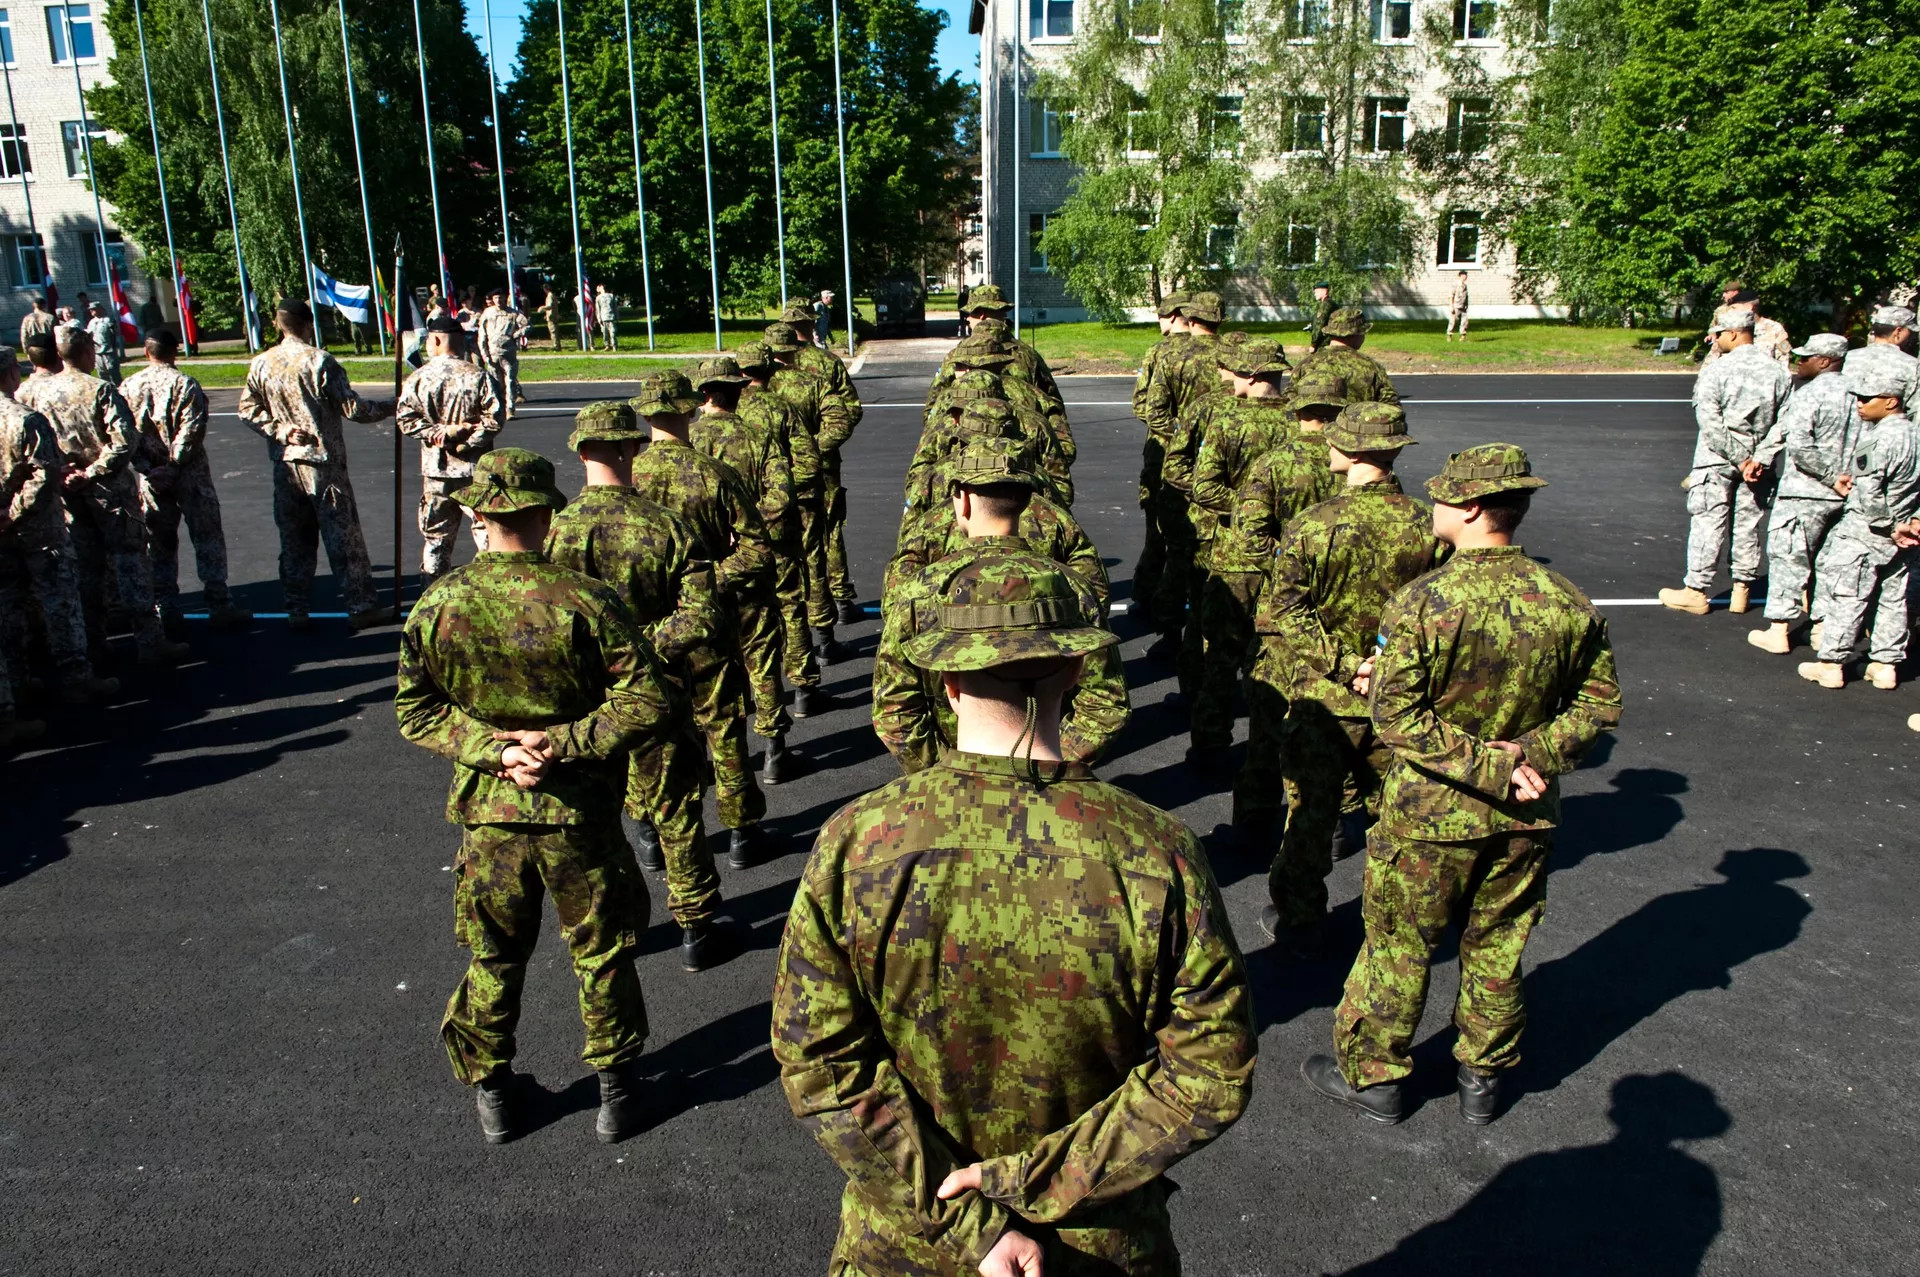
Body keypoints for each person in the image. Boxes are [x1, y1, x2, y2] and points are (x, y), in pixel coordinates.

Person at [774, 552, 1255, 1276]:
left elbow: (819, 1061)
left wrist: (967, 1221)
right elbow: (1210, 1073)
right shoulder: (1157, 853)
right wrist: (1038, 1180)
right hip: (1095, 1242)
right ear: (1073, 671)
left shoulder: (858, 841)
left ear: (948, 678)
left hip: (908, 1241)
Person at [1303, 444, 1620, 1127]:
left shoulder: (1425, 601)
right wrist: (1528, 754)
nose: (1434, 504)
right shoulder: (1565, 598)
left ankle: (1376, 1075)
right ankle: (1483, 1074)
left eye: (1445, 496)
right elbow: (1597, 707)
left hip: (1430, 817)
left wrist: (1491, 763)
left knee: (1397, 944)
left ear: (1472, 508)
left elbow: (1396, 716)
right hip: (1525, 815)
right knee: (1500, 944)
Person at [395, 446, 681, 1146]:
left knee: (493, 954)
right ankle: (617, 1091)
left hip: (490, 814)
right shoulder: (585, 600)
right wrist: (567, 741)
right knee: (602, 951)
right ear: (547, 513)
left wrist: (496, 749)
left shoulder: (439, 605)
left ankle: (492, 1091)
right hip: (576, 812)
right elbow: (646, 697)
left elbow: (417, 711)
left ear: (477, 515)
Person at [544, 402, 740, 971]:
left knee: (593, 819)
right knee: (678, 808)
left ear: (582, 453)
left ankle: (618, 925)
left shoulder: (553, 532)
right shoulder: (666, 529)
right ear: (633, 450)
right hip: (654, 692)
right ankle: (696, 927)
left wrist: (593, 659)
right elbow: (702, 617)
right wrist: (640, 649)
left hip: (581, 701)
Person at [1255, 402, 1444, 958]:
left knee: (1311, 814)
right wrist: (1384, 665)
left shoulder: (1314, 525)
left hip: (1325, 700)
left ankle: (1300, 915)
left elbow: (1287, 610)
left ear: (1355, 453)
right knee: (1396, 819)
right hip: (1399, 696)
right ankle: (1396, 922)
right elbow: (1438, 610)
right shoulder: (1426, 523)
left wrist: (1342, 664)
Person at [876, 433, 1128, 772]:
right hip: (1047, 798)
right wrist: (1045, 768)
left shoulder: (921, 589)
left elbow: (894, 707)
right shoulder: (1070, 587)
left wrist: (945, 773)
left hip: (950, 798)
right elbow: (1106, 704)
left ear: (962, 501)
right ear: (1027, 500)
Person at [628, 371, 777, 874]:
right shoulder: (713, 475)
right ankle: (740, 830)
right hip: (709, 625)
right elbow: (757, 550)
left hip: (644, 632)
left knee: (644, 729)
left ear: (647, 416)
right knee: (724, 724)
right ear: (690, 410)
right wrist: (710, 579)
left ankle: (649, 826)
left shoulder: (626, 483)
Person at [19, 326, 187, 669]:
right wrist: (93, 471)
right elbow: (124, 441)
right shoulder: (100, 390)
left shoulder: (39, 393)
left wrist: (66, 473)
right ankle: (149, 642)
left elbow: (37, 446)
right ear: (84, 353)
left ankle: (95, 642)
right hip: (109, 493)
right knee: (130, 564)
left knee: (86, 569)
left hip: (69, 494)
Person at [1232, 370, 1346, 843]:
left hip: (1282, 621)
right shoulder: (1363, 470)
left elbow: (1249, 535)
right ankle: (1329, 825)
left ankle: (1255, 825)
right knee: (1327, 731)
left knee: (1268, 729)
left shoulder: (1274, 465)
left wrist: (1285, 565)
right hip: (1338, 620)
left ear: (1297, 410)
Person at [236, 298, 397, 630]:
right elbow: (354, 409)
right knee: (344, 539)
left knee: (294, 540)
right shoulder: (320, 361)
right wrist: (393, 405)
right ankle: (360, 605)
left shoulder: (262, 363)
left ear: (280, 325)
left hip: (285, 463)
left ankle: (296, 608)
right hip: (323, 464)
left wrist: (279, 430)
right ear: (309, 324)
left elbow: (248, 410)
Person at [689, 355, 808, 749]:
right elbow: (782, 494)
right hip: (751, 563)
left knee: (703, 660)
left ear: (704, 395)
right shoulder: (759, 439)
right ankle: (774, 745)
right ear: (738, 393)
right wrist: (750, 532)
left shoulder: (687, 443)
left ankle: (713, 748)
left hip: (700, 568)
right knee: (761, 652)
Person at [1186, 337, 1295, 766]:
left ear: (1250, 375)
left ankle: (1211, 746)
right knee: (1277, 656)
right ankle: (1270, 746)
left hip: (1235, 556)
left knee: (1221, 656)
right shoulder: (1303, 424)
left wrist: (1250, 510)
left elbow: (1203, 485)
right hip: (1289, 554)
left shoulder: (1228, 421)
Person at [0, 343, 119, 710]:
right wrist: (16, 510)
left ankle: (19, 681)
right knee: (60, 602)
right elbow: (44, 475)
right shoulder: (25, 419)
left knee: (11, 604)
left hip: (3, 530)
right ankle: (75, 677)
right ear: (10, 374)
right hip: (39, 530)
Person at [1658, 308, 1791, 616]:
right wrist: (1758, 457)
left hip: (1717, 459)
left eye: (1718, 335)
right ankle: (1742, 590)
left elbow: (1709, 421)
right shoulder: (1778, 371)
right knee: (1748, 523)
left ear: (1733, 333)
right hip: (1759, 462)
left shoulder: (1717, 370)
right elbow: (1785, 422)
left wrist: (1740, 457)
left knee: (1708, 520)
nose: (1714, 340)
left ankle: (1696, 590)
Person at [1797, 367, 1920, 690]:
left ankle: (1832, 664)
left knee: (1847, 596)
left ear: (1891, 402)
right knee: (1895, 600)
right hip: (1906, 532)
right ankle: (1885, 665)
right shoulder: (1916, 435)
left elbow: (1869, 491)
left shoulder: (1877, 438)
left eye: (1867, 398)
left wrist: (1889, 525)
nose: (1860, 404)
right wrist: (1912, 523)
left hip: (1868, 531)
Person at [119, 328, 250, 632]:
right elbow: (191, 430)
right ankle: (219, 604)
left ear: (146, 352)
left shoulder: (128, 386)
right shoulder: (185, 384)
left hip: (152, 479)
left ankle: (165, 607)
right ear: (174, 351)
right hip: (189, 474)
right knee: (207, 537)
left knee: (159, 542)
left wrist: (147, 469)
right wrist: (175, 465)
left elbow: (124, 435)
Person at [1748, 333, 1858, 653]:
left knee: (1788, 558)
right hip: (1847, 496)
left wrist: (1828, 476)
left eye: (1807, 357)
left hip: (1806, 493)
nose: (1800, 361)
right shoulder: (1860, 394)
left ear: (1825, 361)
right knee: (1831, 565)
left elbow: (1799, 444)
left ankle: (1779, 629)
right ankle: (1822, 629)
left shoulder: (1811, 393)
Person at [736, 341, 829, 707]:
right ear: (769, 371)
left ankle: (752, 701)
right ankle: (803, 687)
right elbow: (808, 462)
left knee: (740, 615)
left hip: (733, 537)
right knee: (790, 603)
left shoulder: (712, 426)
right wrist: (783, 496)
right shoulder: (781, 409)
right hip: (778, 527)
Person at [1144, 292, 1230, 680]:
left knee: (1178, 552)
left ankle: (1172, 634)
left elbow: (1150, 409)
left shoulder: (1170, 355)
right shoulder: (1236, 357)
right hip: (1227, 470)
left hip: (1176, 468)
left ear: (1190, 319)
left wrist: (1183, 440)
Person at [761, 322, 855, 653]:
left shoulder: (751, 395)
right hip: (813, 477)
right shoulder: (814, 383)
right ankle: (827, 627)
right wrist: (810, 450)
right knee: (819, 545)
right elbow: (845, 416)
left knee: (773, 558)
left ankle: (789, 642)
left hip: (765, 484)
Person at [397, 314, 505, 587]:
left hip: (437, 470)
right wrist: (466, 441)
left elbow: (405, 419)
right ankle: (492, 588)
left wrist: (437, 435)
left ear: (434, 340)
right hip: (475, 469)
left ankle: (432, 594)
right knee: (486, 531)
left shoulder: (419, 378)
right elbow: (495, 418)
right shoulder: (478, 375)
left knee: (437, 538)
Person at [1133, 290, 1190, 628]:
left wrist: (1172, 433)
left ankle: (1150, 597)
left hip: (1164, 453)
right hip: (1209, 453)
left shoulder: (1160, 352)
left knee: (1157, 528)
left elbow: (1143, 404)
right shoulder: (1221, 352)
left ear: (1172, 317)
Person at [1291, 307, 1400, 405]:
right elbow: (1391, 407)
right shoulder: (1372, 367)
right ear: (1355, 335)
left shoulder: (1306, 365)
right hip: (1356, 426)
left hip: (1316, 427)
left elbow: (1290, 401)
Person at [1841, 304, 1918, 415]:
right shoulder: (1911, 365)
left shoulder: (1846, 358)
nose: (1910, 335)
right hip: (1886, 430)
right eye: (1909, 331)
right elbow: (1914, 410)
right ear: (1898, 331)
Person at [1702, 286, 1790, 365]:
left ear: (1749, 308)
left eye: (1734, 308)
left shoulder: (1774, 329)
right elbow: (1710, 364)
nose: (1730, 311)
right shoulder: (1729, 328)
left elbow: (1783, 362)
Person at [475, 288, 528, 417]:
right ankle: (498, 408)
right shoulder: (488, 313)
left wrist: (516, 334)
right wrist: (484, 354)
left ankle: (510, 407)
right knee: (495, 383)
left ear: (505, 298)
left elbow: (527, 326)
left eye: (500, 297)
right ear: (492, 300)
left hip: (508, 353)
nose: (498, 300)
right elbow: (482, 335)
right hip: (492, 353)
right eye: (495, 298)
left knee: (509, 380)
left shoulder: (513, 314)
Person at [85, 302, 120, 386]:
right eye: (90, 310)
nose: (91, 311)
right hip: (97, 351)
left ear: (99, 309)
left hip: (108, 351)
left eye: (93, 309)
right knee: (101, 373)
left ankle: (118, 389)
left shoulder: (108, 320)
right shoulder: (92, 322)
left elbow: (115, 333)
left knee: (113, 372)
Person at [1307, 281, 1335, 352]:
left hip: (1325, 343)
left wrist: (1313, 344)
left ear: (1324, 292)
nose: (1315, 294)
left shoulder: (1325, 305)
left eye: (1316, 292)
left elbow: (1319, 324)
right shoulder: (1331, 303)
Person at [594, 284, 619, 352]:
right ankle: (607, 346)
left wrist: (617, 317)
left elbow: (615, 307)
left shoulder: (611, 296)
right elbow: (598, 309)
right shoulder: (598, 298)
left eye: (601, 286)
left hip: (611, 317)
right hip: (603, 317)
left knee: (613, 332)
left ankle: (614, 346)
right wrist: (599, 319)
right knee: (605, 334)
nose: (601, 288)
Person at [1447, 271, 1471, 341]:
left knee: (1465, 321)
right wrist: (1451, 306)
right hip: (1456, 306)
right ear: (1460, 276)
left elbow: (1466, 296)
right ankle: (1449, 335)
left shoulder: (1465, 286)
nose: (1465, 277)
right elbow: (1451, 295)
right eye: (1464, 275)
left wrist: (1466, 305)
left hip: (1463, 307)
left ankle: (1462, 336)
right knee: (1453, 321)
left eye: (1466, 275)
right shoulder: (1455, 284)